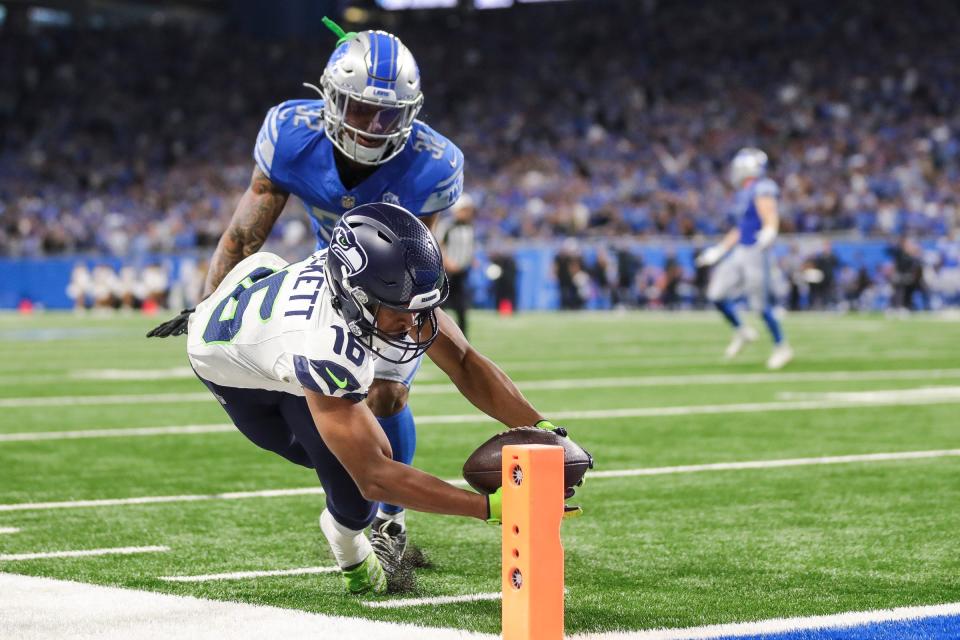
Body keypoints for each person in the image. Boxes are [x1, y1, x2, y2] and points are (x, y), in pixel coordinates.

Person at [150, 20, 464, 562]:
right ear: (330, 98)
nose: (370, 126)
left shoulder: (434, 164)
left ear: (411, 115)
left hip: (392, 273)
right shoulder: (292, 136)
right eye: (360, 108)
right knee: (337, 392)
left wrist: (397, 331)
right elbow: (245, 236)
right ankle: (362, 495)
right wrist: (208, 307)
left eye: (388, 114)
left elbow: (417, 257)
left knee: (387, 391)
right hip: (326, 267)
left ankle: (392, 518)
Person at [187, 203, 582, 594]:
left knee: (360, 451)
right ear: (356, 295)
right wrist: (491, 509)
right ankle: (347, 543)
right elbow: (375, 477)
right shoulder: (324, 344)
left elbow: (463, 361)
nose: (412, 323)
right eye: (398, 309)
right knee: (354, 482)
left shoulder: (377, 280)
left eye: (418, 306)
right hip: (234, 370)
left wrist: (541, 428)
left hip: (273, 317)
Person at [696, 148, 793, 370]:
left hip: (757, 252)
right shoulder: (743, 193)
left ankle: (782, 346)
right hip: (740, 249)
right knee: (716, 294)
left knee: (760, 305)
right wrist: (719, 250)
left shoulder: (762, 187)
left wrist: (770, 230)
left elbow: (769, 214)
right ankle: (742, 331)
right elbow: (741, 228)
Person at [435, 194, 476, 336]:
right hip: (448, 272)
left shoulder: (469, 227)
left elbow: (469, 247)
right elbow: (439, 245)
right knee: (441, 306)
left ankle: (463, 338)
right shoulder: (447, 225)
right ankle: (439, 334)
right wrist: (447, 261)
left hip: (462, 273)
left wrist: (472, 260)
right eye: (465, 209)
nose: (468, 212)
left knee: (462, 308)